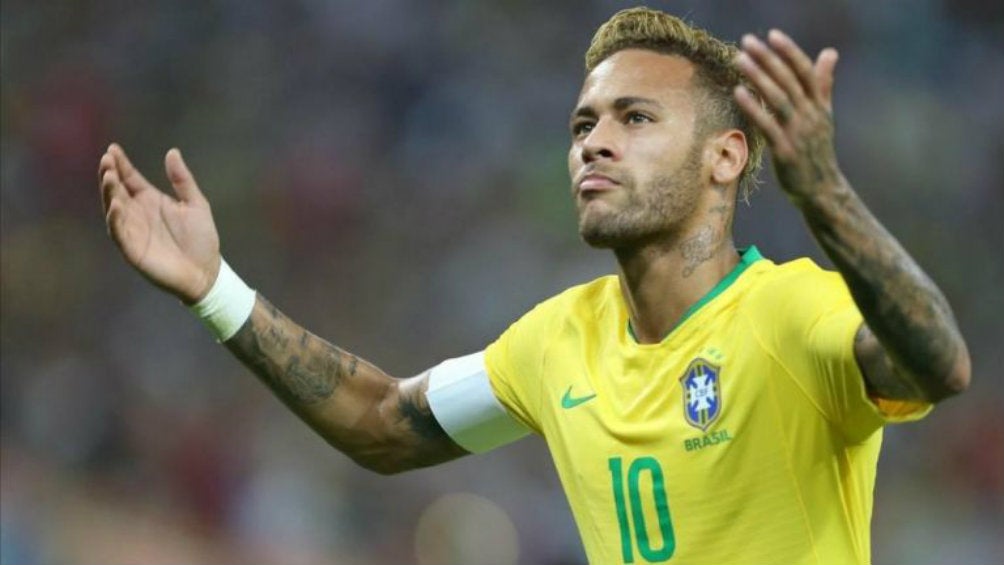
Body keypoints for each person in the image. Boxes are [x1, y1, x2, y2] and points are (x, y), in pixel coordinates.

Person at [98, 7, 970, 565]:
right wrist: (214, 287)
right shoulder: (558, 339)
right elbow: (385, 422)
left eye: (635, 118)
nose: (594, 142)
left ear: (725, 156)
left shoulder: (791, 309)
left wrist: (827, 197)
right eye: (583, 124)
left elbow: (937, 365)